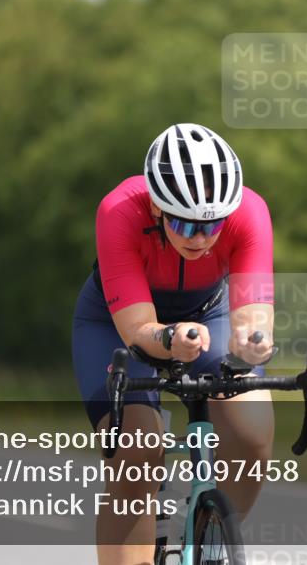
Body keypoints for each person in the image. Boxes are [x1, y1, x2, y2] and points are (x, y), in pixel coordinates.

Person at [72, 123, 276, 565]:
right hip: (117, 323)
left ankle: (213, 538)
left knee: (254, 431)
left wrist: (252, 341)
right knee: (138, 446)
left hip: (210, 313)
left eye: (212, 225)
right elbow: (140, 330)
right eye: (184, 223)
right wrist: (169, 338)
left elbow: (253, 312)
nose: (200, 239)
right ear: (157, 209)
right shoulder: (120, 211)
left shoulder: (251, 211)